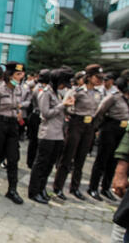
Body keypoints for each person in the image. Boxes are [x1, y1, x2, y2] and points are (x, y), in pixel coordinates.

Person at [53, 64, 104, 201]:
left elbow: (98, 112)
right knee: (68, 157)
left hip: (89, 126)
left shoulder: (99, 93)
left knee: (81, 158)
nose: (99, 80)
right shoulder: (77, 91)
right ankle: (58, 187)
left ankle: (74, 188)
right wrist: (72, 115)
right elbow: (66, 106)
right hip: (76, 124)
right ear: (89, 77)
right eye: (96, 77)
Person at [28, 67, 75, 204]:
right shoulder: (46, 93)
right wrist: (62, 105)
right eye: (62, 83)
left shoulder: (57, 94)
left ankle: (42, 189)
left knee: (49, 165)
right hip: (47, 133)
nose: (63, 87)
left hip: (58, 134)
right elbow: (46, 114)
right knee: (41, 164)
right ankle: (34, 191)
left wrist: (66, 106)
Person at [0, 61, 26, 204]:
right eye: (18, 74)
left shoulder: (20, 89)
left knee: (13, 158)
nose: (20, 77)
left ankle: (12, 189)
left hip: (13, 125)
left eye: (22, 74)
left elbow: (19, 106)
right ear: (9, 75)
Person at [88, 76, 129, 202]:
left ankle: (105, 188)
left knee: (113, 161)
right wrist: (98, 128)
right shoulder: (114, 96)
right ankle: (93, 187)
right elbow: (100, 111)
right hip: (110, 128)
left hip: (122, 131)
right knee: (102, 159)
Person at [26, 69, 50, 169]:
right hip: (37, 116)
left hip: (39, 116)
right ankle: (31, 161)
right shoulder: (39, 88)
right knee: (34, 141)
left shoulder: (44, 88)